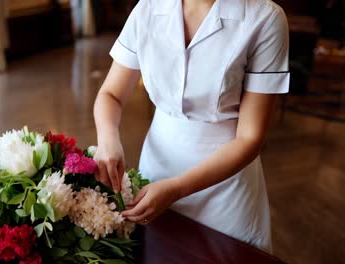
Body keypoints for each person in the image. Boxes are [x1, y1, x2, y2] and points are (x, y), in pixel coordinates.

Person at [93, 0, 289, 253]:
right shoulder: (148, 8)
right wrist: (109, 141)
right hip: (156, 168)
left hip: (225, 185)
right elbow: (111, 94)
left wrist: (177, 188)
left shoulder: (265, 17)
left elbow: (251, 138)